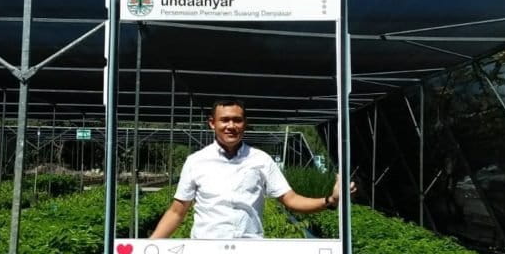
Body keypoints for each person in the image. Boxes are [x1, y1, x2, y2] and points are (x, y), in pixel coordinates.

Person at [150, 99, 354, 239]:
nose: (231, 125)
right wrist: (147, 249)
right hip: (207, 251)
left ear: (245, 123)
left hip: (250, 253)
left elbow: (291, 200)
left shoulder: (261, 160)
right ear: (212, 123)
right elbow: (177, 211)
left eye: (237, 120)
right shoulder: (196, 161)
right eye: (224, 120)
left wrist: (330, 200)